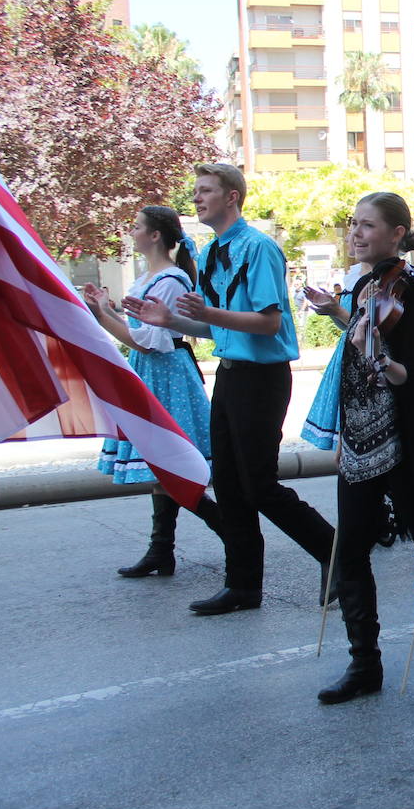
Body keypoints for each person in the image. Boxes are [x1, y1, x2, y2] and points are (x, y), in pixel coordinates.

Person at [126, 163, 337, 616]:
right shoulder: (211, 251)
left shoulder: (258, 247)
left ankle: (335, 553)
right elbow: (214, 326)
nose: (197, 198)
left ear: (232, 197)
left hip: (262, 378)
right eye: (196, 191)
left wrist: (208, 316)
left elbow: (268, 323)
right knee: (228, 484)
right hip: (232, 374)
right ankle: (242, 586)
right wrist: (170, 321)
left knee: (259, 485)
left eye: (205, 191)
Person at [317, 192, 414, 704]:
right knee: (349, 546)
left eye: (368, 226)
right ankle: (363, 662)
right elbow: (351, 368)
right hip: (359, 435)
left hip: (404, 436)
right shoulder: (363, 287)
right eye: (354, 224)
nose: (356, 233)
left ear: (398, 233)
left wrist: (384, 362)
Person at [83, 206, 222, 577]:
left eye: (137, 226)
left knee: (169, 463)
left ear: (156, 235)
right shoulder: (152, 277)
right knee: (163, 466)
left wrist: (104, 317)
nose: (132, 231)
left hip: (167, 374)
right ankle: (163, 549)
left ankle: (228, 530)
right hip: (156, 372)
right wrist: (105, 312)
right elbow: (141, 339)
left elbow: (147, 342)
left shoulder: (170, 280)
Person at [299, 257, 367, 452]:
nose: (352, 236)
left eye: (365, 224)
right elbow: (348, 326)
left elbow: (372, 329)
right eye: (354, 225)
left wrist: (336, 309)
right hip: (346, 352)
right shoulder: (354, 276)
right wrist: (331, 310)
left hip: (365, 358)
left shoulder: (383, 279)